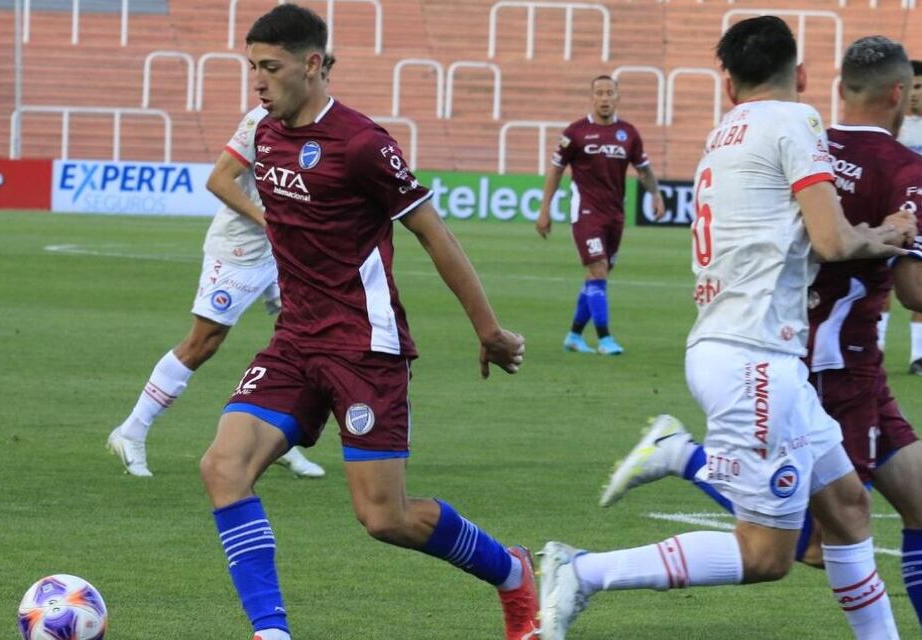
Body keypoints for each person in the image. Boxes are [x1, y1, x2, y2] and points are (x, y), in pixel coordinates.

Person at [538, 18, 912, 640]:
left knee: (847, 509)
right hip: (754, 358)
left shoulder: (724, 132)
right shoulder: (796, 123)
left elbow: (795, 240)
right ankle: (584, 569)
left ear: (728, 82)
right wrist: (888, 234)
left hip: (744, 347)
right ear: (802, 73)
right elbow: (831, 239)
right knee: (767, 553)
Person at [198, 6, 536, 640]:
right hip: (296, 340)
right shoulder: (264, 131)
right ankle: (271, 632)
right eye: (253, 68)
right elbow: (229, 181)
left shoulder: (362, 144)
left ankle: (513, 572)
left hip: (364, 347)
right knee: (223, 466)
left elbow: (435, 236)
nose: (259, 82)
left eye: (271, 68)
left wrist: (488, 329)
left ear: (314, 64)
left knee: (384, 518)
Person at [107, 106, 324, 480]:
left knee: (306, 337)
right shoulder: (262, 120)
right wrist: (269, 222)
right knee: (202, 343)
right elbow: (219, 180)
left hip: (280, 251)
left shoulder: (319, 121)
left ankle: (278, 438)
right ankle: (132, 430)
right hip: (239, 251)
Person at [535, 76, 665, 355]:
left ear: (618, 97)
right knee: (598, 269)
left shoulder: (628, 133)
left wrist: (655, 195)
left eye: (609, 93)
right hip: (586, 211)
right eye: (599, 93)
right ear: (592, 98)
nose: (604, 98)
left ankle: (573, 335)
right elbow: (556, 170)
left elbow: (643, 169)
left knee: (598, 275)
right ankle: (605, 339)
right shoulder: (575, 133)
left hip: (615, 214)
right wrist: (544, 209)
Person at [880, 58, 922, 374]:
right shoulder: (892, 128)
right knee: (879, 284)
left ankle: (918, 356)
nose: (917, 94)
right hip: (892, 216)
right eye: (913, 88)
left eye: (921, 87)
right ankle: (875, 349)